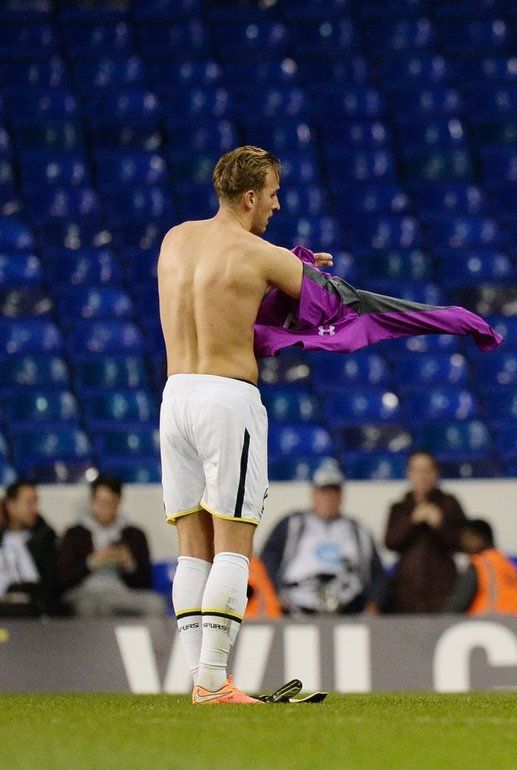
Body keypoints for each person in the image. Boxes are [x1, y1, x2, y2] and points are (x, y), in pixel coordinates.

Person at [158, 145, 336, 705]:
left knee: (192, 545)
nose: (278, 206)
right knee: (234, 543)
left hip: (175, 396)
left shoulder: (175, 239)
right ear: (251, 196)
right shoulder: (259, 252)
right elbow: (329, 306)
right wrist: (305, 266)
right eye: (275, 194)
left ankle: (202, 681)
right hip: (226, 399)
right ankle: (213, 681)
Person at [260, 460, 385, 616]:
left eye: (334, 492)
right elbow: (266, 562)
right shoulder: (292, 524)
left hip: (348, 610)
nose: (328, 498)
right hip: (296, 608)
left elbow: (377, 572)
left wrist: (374, 603)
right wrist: (273, 596)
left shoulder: (358, 530)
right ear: (313, 494)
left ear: (341, 496)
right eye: (323, 491)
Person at [57, 474, 167, 616]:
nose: (105, 508)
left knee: (155, 604)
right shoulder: (75, 534)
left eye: (110, 502)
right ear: (92, 500)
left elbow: (145, 581)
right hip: (85, 592)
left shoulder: (134, 534)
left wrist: (128, 563)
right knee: (88, 607)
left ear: (119, 501)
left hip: (121, 592)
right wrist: (91, 562)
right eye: (101, 502)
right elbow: (63, 578)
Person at [383, 450, 467, 613]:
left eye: (427, 470)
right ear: (409, 473)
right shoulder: (399, 508)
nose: (423, 476)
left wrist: (439, 524)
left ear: (436, 473)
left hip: (443, 593)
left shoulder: (450, 503)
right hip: (406, 595)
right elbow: (390, 542)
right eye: (417, 470)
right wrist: (412, 521)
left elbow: (461, 542)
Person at [444, 519, 517, 616]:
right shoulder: (508, 565)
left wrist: (436, 623)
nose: (462, 543)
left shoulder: (480, 565)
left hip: (489, 624)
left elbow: (456, 605)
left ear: (478, 538)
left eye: (466, 537)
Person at [0, 480, 62, 617]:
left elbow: (52, 585)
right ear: (11, 505)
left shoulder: (45, 537)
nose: (35, 509)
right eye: (29, 503)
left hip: (34, 613)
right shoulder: (2, 538)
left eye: (36, 503)